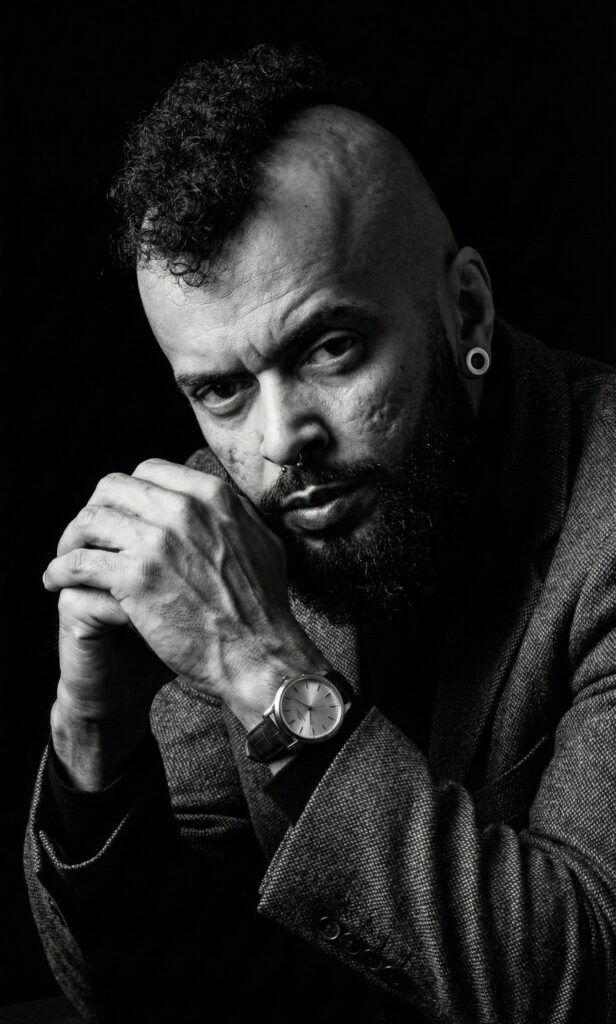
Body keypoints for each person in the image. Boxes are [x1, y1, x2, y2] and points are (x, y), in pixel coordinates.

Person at [24, 44, 616, 1024]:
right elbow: (145, 983)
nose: (278, 441)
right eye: (221, 390)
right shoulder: (233, 511)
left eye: (331, 347)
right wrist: (94, 733)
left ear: (466, 310)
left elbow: (580, 983)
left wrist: (263, 668)